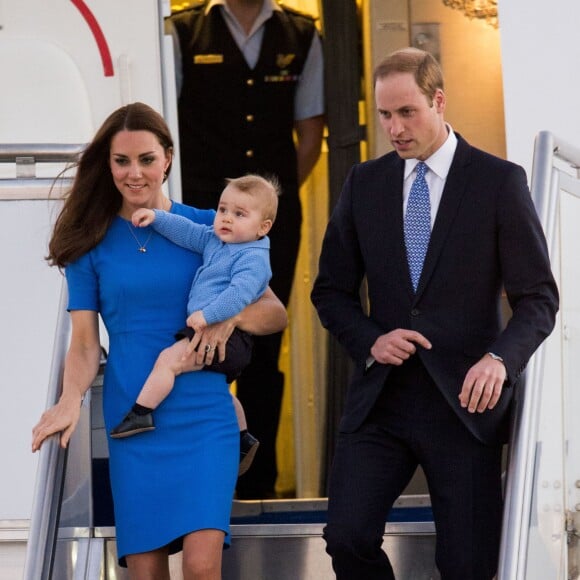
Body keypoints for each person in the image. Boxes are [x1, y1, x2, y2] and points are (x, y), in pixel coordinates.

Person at [311, 47, 559, 580]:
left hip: (465, 405)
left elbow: (539, 298)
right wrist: (370, 340)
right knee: (347, 537)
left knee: (467, 566)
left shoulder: (498, 182)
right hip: (383, 401)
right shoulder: (364, 184)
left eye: (406, 112)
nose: (394, 128)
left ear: (438, 101)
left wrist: (500, 359)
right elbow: (330, 291)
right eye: (384, 115)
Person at [31, 102, 287, 579]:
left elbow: (275, 313)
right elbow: (85, 344)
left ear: (167, 158)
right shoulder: (90, 242)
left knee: (201, 567)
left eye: (146, 159)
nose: (134, 173)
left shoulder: (213, 225)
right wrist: (69, 399)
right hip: (135, 418)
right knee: (146, 574)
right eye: (121, 161)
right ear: (107, 165)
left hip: (205, 412)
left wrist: (231, 318)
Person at [169, 0, 325, 498]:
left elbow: (310, 134)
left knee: (262, 346)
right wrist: (221, 216)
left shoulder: (302, 35)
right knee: (191, 335)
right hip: (200, 221)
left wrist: (260, 214)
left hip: (268, 229)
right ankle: (199, 476)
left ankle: (256, 484)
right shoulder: (183, 31)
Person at [110, 174, 279, 479]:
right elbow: (188, 232)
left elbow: (239, 294)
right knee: (219, 389)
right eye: (223, 209)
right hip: (213, 331)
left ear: (262, 228)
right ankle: (242, 437)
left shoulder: (253, 259)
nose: (226, 219)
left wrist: (208, 315)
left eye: (239, 214)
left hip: (228, 335)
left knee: (169, 361)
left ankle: (141, 413)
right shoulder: (217, 239)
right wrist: (157, 218)